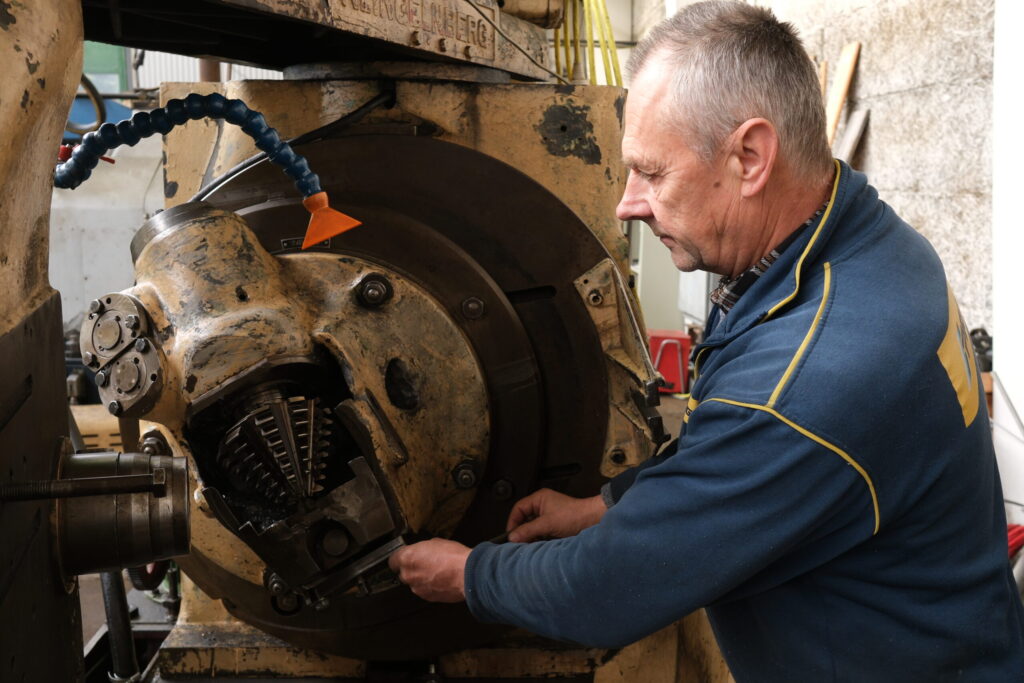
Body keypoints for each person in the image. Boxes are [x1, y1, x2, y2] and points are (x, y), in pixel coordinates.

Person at [389, 2, 1024, 679]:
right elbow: (721, 446)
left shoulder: (809, 383)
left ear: (750, 156)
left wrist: (471, 574)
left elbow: (612, 587)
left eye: (653, 172)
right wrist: (604, 505)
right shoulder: (872, 244)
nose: (627, 203)